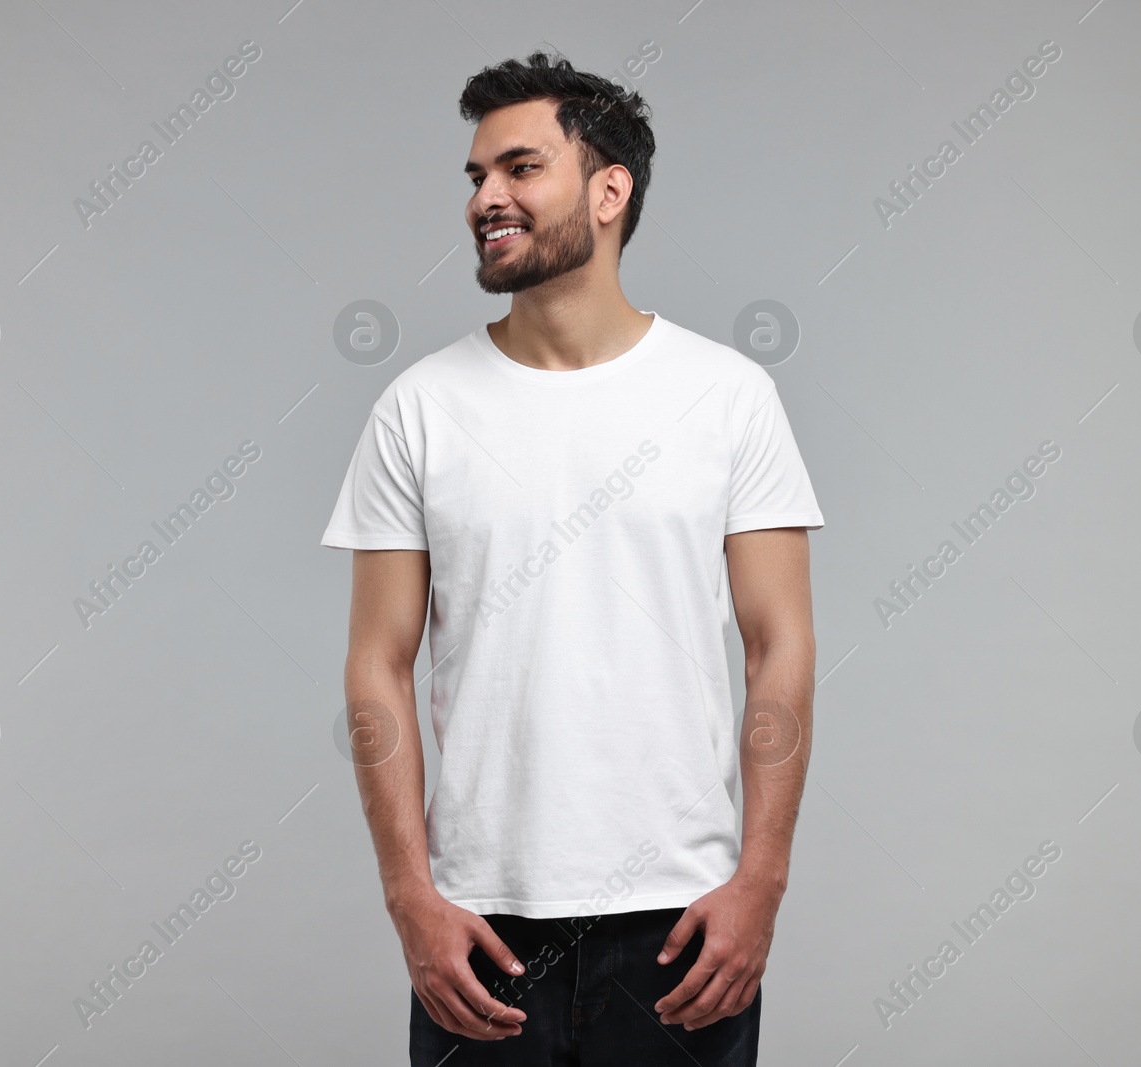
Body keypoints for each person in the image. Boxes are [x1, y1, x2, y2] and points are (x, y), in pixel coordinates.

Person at [320, 50, 823, 1066]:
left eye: (518, 168)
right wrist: (410, 894)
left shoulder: (727, 397)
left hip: (682, 925)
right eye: (474, 177)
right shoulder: (419, 409)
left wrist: (759, 878)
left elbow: (781, 645)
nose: (486, 198)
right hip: (482, 928)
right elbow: (377, 662)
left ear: (608, 190)